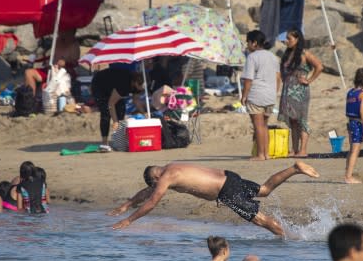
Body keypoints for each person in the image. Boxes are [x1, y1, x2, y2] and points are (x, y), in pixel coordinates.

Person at [109, 161, 319, 237]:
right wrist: (126, 205)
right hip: (228, 176)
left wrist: (128, 220)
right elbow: (146, 194)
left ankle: (292, 240)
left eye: (154, 186)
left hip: (225, 191)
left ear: (155, 178)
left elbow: (152, 201)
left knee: (261, 221)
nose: (156, 189)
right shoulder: (172, 167)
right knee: (264, 190)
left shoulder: (166, 178)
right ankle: (295, 168)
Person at [277, 29, 324, 157]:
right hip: (288, 90)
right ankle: (294, 149)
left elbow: (319, 66)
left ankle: (303, 150)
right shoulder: (287, 54)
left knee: (301, 120)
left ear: (297, 40)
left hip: (300, 91)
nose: (286, 41)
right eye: (286, 38)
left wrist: (309, 80)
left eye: (289, 38)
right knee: (292, 120)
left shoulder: (305, 53)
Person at [241, 30, 281, 161]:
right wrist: (274, 92)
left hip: (257, 94)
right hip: (270, 95)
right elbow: (278, 77)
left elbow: (248, 79)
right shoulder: (273, 56)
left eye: (248, 42)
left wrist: (244, 95)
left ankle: (260, 154)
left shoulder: (252, 57)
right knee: (264, 125)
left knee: (258, 125)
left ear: (254, 43)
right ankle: (266, 154)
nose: (247, 45)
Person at [90, 68, 145, 149]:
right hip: (100, 84)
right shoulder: (124, 84)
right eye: (141, 86)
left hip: (114, 85)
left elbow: (136, 100)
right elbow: (111, 104)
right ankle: (105, 142)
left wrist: (144, 114)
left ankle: (119, 140)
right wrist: (115, 121)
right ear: (135, 83)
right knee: (106, 113)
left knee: (121, 109)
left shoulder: (137, 85)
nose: (142, 89)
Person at [344, 68, 363, 184]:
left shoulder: (350, 92)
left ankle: (348, 172)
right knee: (355, 151)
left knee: (351, 149)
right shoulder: (362, 94)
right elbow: (362, 111)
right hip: (357, 123)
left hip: (350, 122)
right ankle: (348, 176)